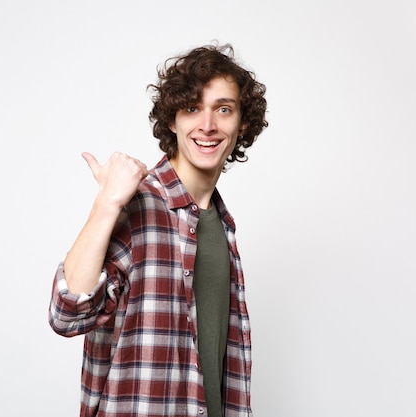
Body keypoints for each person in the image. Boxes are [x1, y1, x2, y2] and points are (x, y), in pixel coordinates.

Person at [48, 42, 268, 417]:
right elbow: (67, 314)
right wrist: (106, 205)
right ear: (172, 120)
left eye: (224, 109)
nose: (208, 125)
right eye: (192, 108)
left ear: (242, 123)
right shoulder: (138, 203)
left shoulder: (220, 223)